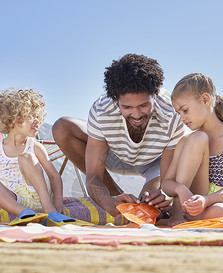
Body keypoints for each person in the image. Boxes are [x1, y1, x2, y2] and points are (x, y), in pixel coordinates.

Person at [52, 54, 185, 217]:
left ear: (155, 95)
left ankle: (144, 202)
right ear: (115, 100)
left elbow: (168, 176)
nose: (136, 114)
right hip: (115, 153)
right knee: (62, 127)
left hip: (155, 162)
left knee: (147, 208)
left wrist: (163, 193)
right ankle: (117, 196)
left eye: (144, 105)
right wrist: (107, 201)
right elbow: (93, 175)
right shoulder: (102, 109)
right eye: (127, 107)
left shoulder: (172, 112)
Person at [161, 73, 223, 226]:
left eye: (185, 110)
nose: (182, 118)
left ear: (205, 100)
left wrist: (207, 200)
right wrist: (180, 189)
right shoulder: (188, 140)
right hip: (194, 201)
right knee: (198, 138)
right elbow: (166, 184)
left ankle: (180, 219)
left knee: (216, 212)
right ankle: (177, 213)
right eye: (178, 113)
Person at [0, 88, 74, 225]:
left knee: (26, 157)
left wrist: (57, 202)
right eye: (31, 116)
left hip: (40, 195)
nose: (37, 120)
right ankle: (25, 213)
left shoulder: (34, 146)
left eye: (37, 116)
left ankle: (49, 210)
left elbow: (54, 176)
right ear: (10, 120)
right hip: (16, 201)